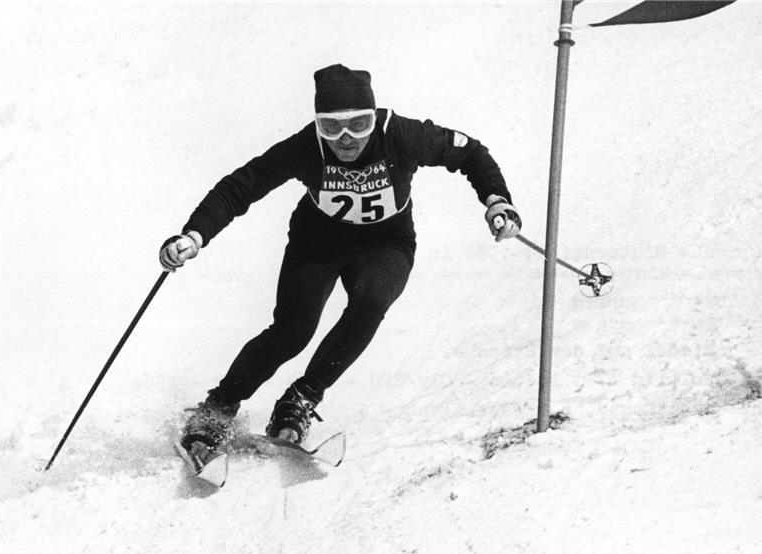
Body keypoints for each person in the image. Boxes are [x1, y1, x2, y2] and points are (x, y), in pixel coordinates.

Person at [160, 64, 521, 465]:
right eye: (331, 128)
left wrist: (496, 199)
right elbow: (242, 185)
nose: (346, 139)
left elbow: (469, 151)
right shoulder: (306, 146)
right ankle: (219, 405)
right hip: (319, 241)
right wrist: (194, 235)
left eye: (359, 124)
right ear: (318, 126)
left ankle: (301, 398)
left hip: (386, 242)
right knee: (294, 330)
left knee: (372, 301)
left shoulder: (401, 135)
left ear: (375, 118)